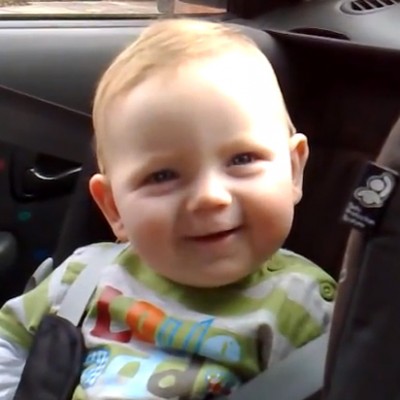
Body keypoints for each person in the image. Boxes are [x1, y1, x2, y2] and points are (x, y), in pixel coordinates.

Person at [0, 19, 336, 400]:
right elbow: (8, 340)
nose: (210, 197)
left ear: (293, 170)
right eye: (162, 176)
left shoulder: (308, 309)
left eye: (242, 159)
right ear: (114, 208)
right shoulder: (83, 276)